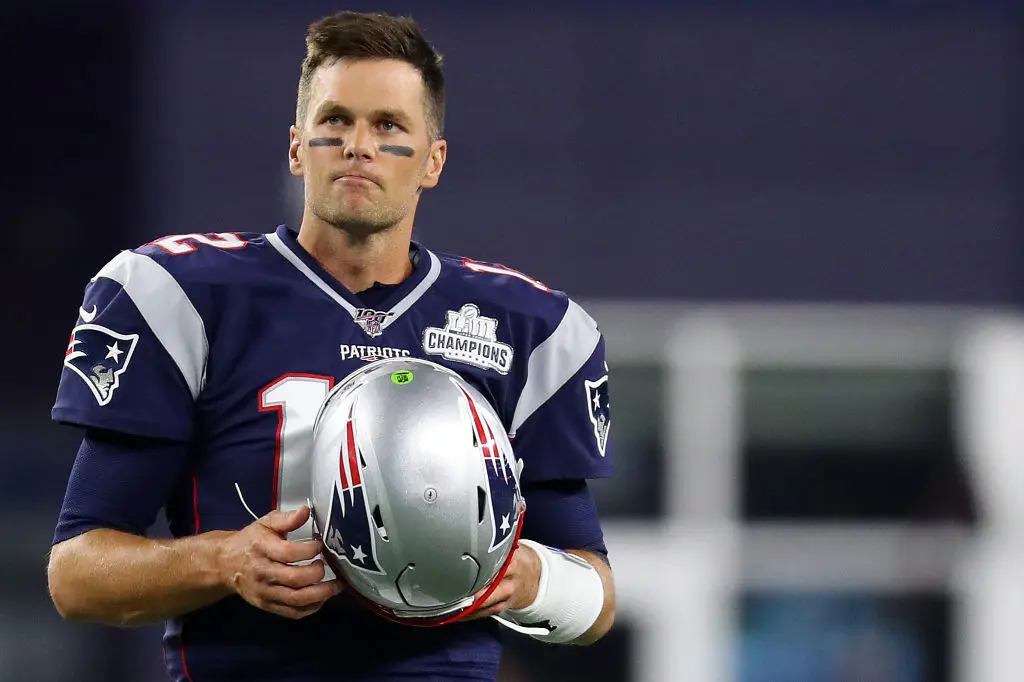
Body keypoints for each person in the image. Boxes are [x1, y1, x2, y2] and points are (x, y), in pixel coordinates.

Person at [47, 10, 616, 682]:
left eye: (388, 126)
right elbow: (76, 575)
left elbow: (598, 595)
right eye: (335, 121)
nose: (357, 145)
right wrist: (223, 560)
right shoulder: (190, 296)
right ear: (297, 147)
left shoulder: (524, 325)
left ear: (432, 159)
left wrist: (527, 578)